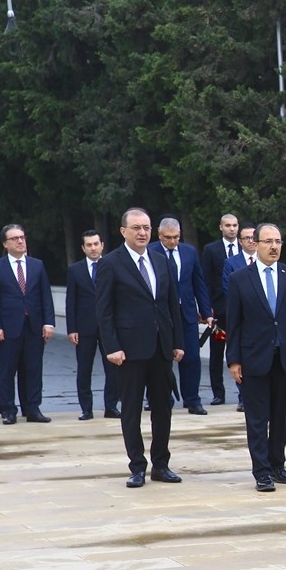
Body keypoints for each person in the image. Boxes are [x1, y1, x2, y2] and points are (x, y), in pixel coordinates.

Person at [95, 208, 185, 488]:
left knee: (163, 409)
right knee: (131, 410)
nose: (142, 232)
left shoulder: (160, 260)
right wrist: (112, 346)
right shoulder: (111, 263)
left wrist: (178, 342)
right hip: (129, 351)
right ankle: (137, 466)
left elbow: (171, 304)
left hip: (161, 348)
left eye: (146, 227)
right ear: (123, 231)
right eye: (136, 228)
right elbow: (104, 310)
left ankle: (161, 465)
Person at [225, 223, 286, 492]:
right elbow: (234, 323)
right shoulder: (240, 279)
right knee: (257, 418)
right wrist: (234, 360)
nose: (274, 246)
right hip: (253, 358)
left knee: (280, 416)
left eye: (278, 241)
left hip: (285, 357)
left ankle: (278, 465)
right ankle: (262, 471)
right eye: (268, 241)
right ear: (255, 244)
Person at [0, 224, 56, 424]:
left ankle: (32, 409)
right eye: (14, 238)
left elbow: (45, 296)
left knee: (33, 369)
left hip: (33, 326)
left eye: (22, 237)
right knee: (6, 371)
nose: (20, 241)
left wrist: (48, 323)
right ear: (5, 244)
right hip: (6, 329)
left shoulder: (37, 265)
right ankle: (8, 410)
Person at [150, 217, 214, 415]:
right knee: (161, 360)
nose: (172, 241)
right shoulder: (150, 252)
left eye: (176, 237)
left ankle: (192, 399)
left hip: (186, 313)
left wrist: (206, 312)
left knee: (192, 357)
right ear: (159, 235)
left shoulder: (189, 252)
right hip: (161, 314)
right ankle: (162, 399)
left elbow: (198, 282)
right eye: (168, 237)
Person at [65, 230, 120, 420]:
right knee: (84, 369)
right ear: (83, 248)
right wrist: (72, 328)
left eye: (96, 244)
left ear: (102, 245)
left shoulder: (113, 266)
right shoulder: (75, 270)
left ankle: (111, 406)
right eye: (89, 245)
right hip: (84, 327)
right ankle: (86, 409)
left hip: (109, 327)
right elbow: (71, 301)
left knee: (113, 368)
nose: (93, 248)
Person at [201, 213, 240, 405]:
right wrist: (207, 308)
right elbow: (206, 280)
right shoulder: (211, 250)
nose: (231, 229)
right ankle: (218, 393)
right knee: (217, 353)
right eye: (228, 225)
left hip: (240, 310)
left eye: (234, 225)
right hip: (219, 311)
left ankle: (243, 395)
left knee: (241, 351)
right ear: (221, 227)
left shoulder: (245, 248)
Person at [222, 223, 258, 412]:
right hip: (242, 317)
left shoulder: (266, 261)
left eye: (253, 237)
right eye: (246, 238)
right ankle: (243, 397)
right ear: (240, 241)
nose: (251, 241)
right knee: (241, 358)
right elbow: (228, 289)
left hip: (263, 319)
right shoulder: (231, 263)